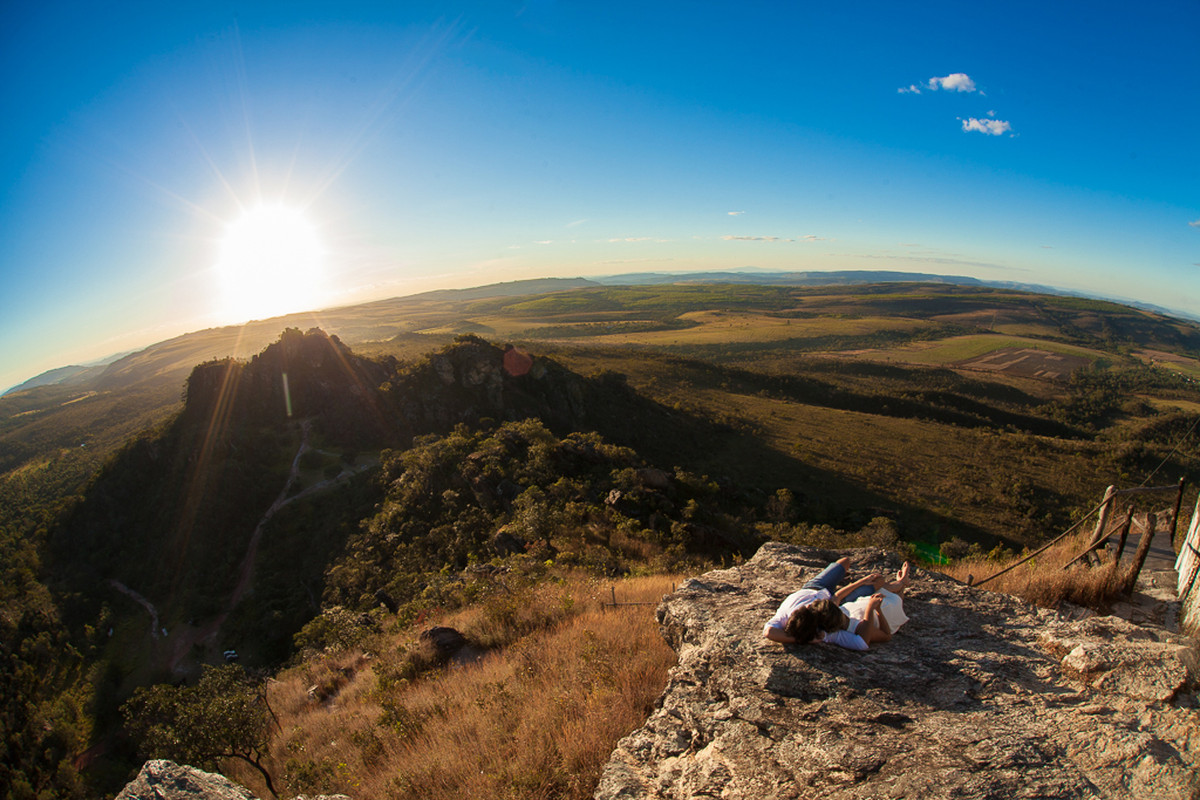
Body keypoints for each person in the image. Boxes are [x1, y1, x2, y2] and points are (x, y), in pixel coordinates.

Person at [763, 559, 911, 651]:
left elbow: (769, 632)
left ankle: (901, 584)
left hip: (822, 592)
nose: (807, 606)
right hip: (862, 608)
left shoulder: (822, 624)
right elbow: (878, 638)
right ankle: (902, 583)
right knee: (883, 589)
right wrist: (873, 608)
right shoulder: (829, 632)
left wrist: (860, 582)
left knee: (851, 566)